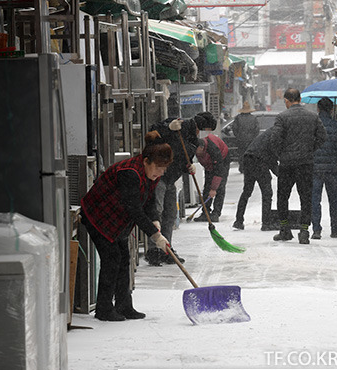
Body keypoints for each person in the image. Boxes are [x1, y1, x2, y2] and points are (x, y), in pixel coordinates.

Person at [80, 132, 173, 321]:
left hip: (117, 220)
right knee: (112, 259)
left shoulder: (148, 174)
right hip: (98, 216)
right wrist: (155, 236)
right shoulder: (130, 173)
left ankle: (124, 306)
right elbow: (134, 209)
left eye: (163, 170)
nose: (160, 173)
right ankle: (104, 309)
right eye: (158, 168)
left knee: (124, 259)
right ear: (146, 161)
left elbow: (149, 200)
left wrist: (155, 220)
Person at [144, 111, 217, 266]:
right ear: (200, 126)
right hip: (158, 175)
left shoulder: (194, 141)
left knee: (170, 214)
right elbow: (152, 131)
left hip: (171, 179)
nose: (206, 134)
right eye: (207, 130)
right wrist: (168, 127)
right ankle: (153, 250)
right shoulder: (178, 125)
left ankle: (166, 248)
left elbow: (182, 159)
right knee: (156, 213)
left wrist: (188, 167)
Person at [269, 88, 326, 244]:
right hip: (306, 164)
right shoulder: (312, 116)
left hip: (287, 164)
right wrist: (310, 150)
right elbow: (322, 136)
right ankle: (304, 231)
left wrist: (281, 154)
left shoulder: (282, 117)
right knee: (306, 197)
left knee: (283, 196)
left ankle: (285, 230)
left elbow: (275, 139)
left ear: (287, 100)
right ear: (300, 99)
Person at [312, 98, 337, 240]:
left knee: (315, 199)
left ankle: (316, 229)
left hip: (315, 168)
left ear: (318, 109)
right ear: (332, 110)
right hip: (333, 168)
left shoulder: (313, 126)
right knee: (334, 199)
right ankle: (335, 228)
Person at [233, 128, 278, 231]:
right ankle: (266, 223)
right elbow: (272, 158)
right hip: (259, 161)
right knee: (267, 193)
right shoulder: (276, 136)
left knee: (247, 192)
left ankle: (238, 221)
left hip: (248, 158)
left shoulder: (269, 133)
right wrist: (281, 174)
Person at [193, 133, 231, 223]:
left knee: (220, 187)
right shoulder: (197, 148)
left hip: (222, 160)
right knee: (207, 186)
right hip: (209, 164)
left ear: (202, 148)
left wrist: (214, 189)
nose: (195, 152)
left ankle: (216, 213)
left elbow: (219, 171)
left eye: (196, 150)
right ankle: (205, 213)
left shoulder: (213, 149)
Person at [232, 101, 260, 171]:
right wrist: (253, 137)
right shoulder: (253, 118)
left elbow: (234, 129)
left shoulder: (238, 118)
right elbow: (257, 129)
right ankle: (250, 167)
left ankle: (242, 167)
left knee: (241, 154)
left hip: (241, 140)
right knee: (250, 154)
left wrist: (238, 136)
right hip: (251, 140)